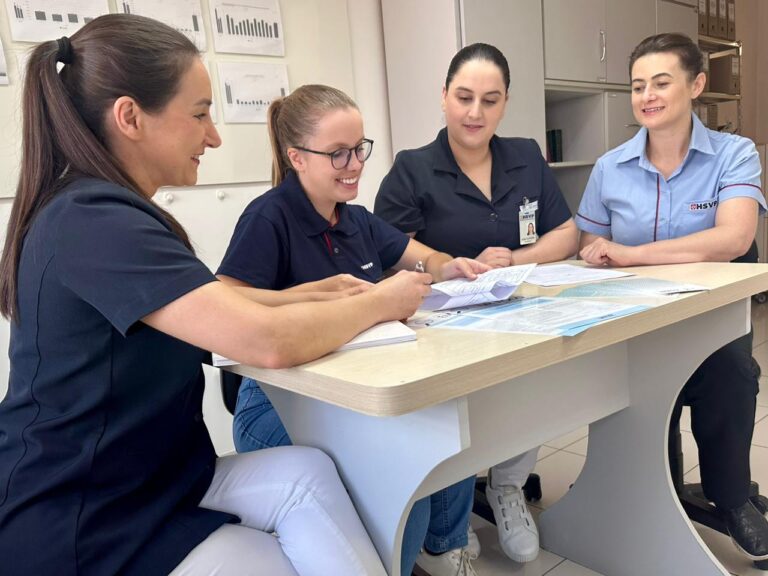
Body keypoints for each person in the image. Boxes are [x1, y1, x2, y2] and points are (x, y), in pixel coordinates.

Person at [0, 15, 433, 576]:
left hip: (158, 476)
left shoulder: (106, 211)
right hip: (88, 516)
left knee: (308, 473)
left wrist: (308, 296)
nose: (214, 136)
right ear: (130, 117)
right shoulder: (94, 222)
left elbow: (206, 305)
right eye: (200, 114)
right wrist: (382, 300)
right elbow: (266, 342)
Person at [216, 83, 490, 576]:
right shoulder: (269, 217)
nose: (355, 165)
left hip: (361, 386)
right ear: (297, 157)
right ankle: (404, 560)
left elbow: (421, 257)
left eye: (360, 149)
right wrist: (317, 297)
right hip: (281, 402)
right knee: (405, 469)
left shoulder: (356, 219)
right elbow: (225, 300)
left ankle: (445, 550)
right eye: (338, 153)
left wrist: (448, 266)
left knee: (448, 425)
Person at [374, 43, 578, 572]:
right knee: (458, 410)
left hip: (521, 313)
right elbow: (387, 250)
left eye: (490, 100)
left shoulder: (526, 156)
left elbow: (565, 232)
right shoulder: (412, 169)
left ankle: (506, 486)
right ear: (443, 96)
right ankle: (454, 506)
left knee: (540, 382)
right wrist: (449, 265)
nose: (475, 112)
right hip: (444, 327)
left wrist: (514, 258)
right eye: (464, 97)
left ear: (505, 102)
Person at [577, 32, 768, 561]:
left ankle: (731, 497)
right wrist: (599, 252)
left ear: (696, 84)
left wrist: (631, 253)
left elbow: (735, 238)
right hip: (634, 321)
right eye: (638, 85)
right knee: (625, 384)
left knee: (732, 374)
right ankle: (653, 488)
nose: (647, 96)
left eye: (661, 83)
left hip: (710, 322)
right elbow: (591, 242)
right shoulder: (609, 167)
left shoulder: (734, 154)